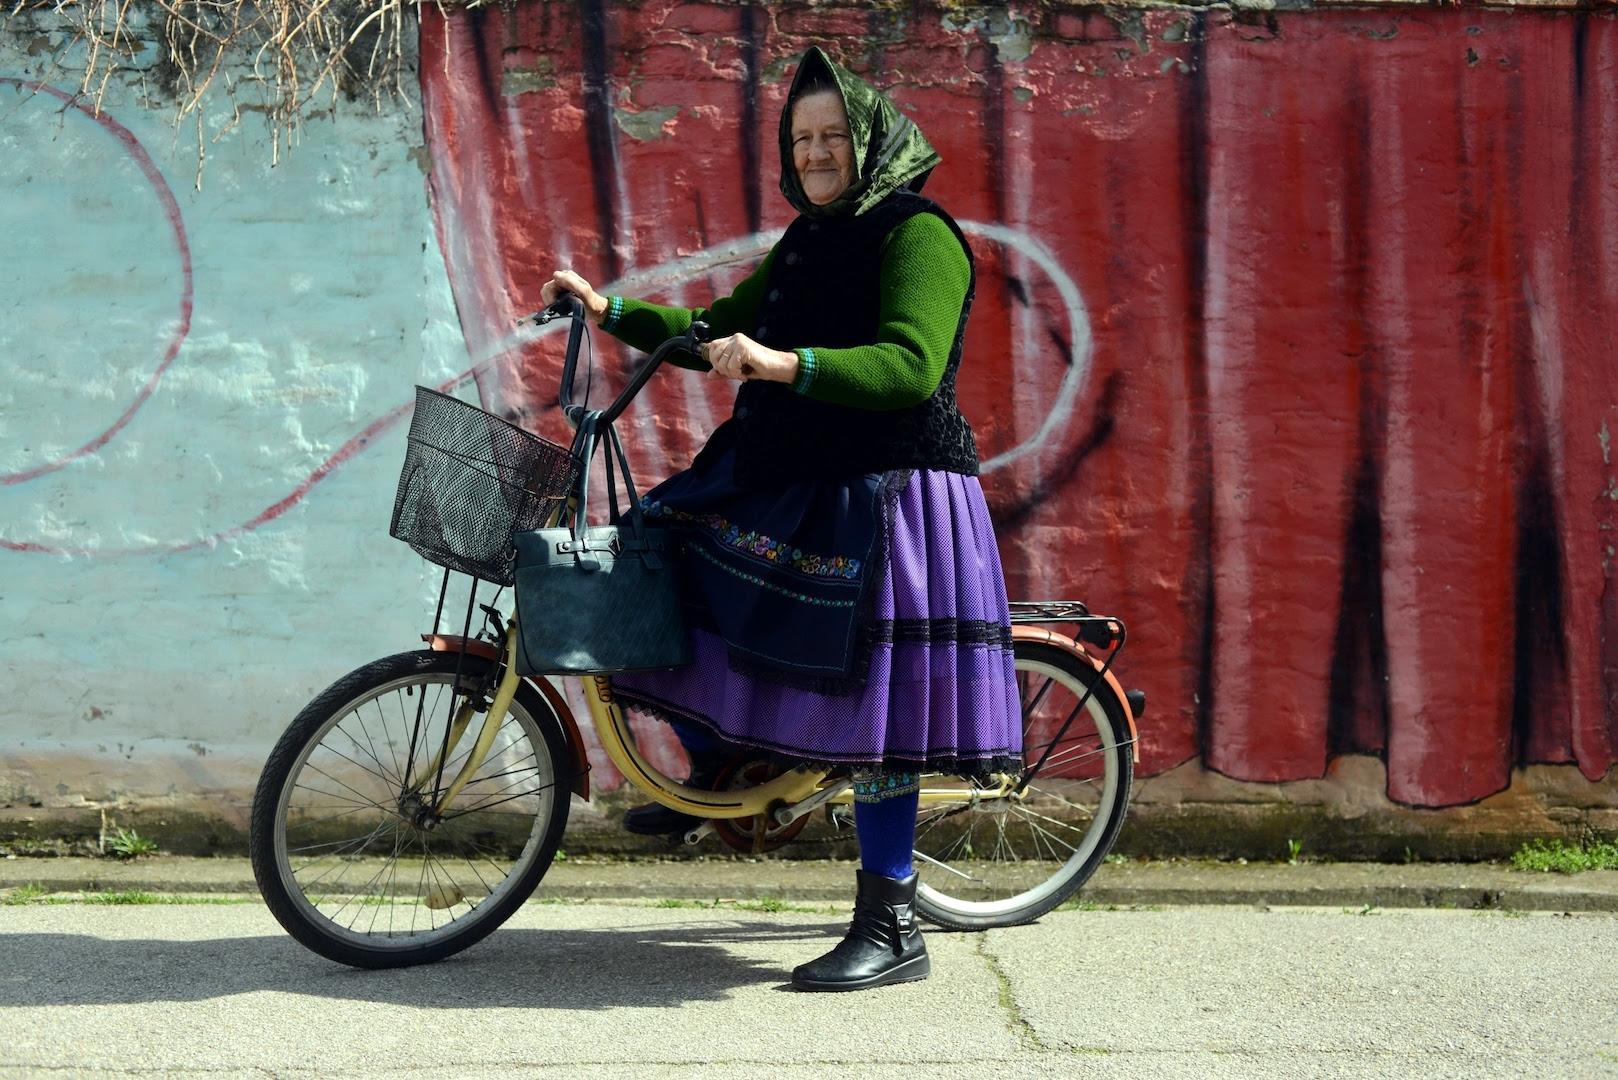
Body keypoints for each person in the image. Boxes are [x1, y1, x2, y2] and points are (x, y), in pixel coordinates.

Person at [538, 47, 1020, 992]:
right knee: (664, 548)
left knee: (870, 707)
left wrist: (784, 364)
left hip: (890, 488)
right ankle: (721, 777)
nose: (817, 153)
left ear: (873, 140)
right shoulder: (805, 243)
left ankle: (893, 923)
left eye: (834, 135)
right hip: (796, 472)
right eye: (802, 140)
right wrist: (610, 308)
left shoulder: (920, 237)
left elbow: (912, 367)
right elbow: (715, 327)